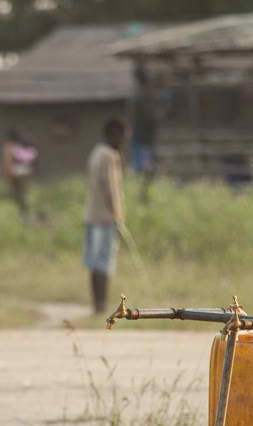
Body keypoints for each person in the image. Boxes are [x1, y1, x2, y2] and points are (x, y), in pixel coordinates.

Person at [83, 117, 128, 314]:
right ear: (114, 135)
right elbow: (111, 189)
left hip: (91, 216)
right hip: (105, 218)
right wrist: (118, 217)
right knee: (103, 263)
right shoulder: (110, 156)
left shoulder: (96, 152)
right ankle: (101, 306)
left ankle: (97, 305)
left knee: (94, 263)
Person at [129, 64, 158, 202]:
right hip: (141, 135)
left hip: (142, 136)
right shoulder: (143, 93)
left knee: (144, 169)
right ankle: (142, 195)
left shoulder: (144, 94)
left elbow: (149, 116)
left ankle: (144, 195)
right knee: (142, 168)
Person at [2, 129, 37, 221]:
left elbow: (8, 162)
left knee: (17, 194)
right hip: (27, 171)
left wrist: (8, 174)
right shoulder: (24, 146)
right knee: (25, 193)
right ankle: (26, 212)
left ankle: (20, 214)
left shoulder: (9, 147)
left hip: (16, 172)